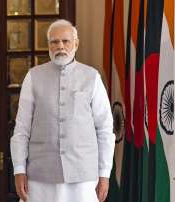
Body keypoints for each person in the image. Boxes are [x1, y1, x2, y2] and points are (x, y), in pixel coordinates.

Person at [10, 19, 115, 202]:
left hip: (83, 178)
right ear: (48, 45)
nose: (60, 46)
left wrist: (104, 174)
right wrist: (19, 169)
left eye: (65, 41)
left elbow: (105, 129)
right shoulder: (33, 77)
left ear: (76, 43)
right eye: (54, 41)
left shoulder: (92, 77)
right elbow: (21, 129)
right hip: (41, 177)